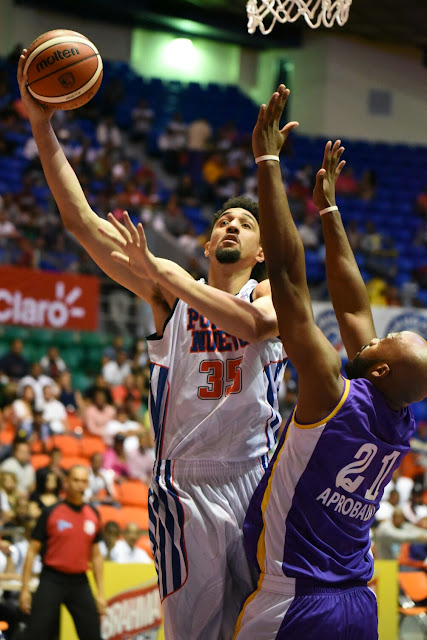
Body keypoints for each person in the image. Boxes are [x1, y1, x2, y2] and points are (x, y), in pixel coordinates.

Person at [17, 51, 285, 640]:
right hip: (186, 485)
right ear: (207, 241)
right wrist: (42, 125)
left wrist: (175, 278)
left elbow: (259, 330)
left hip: (257, 481)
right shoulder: (170, 295)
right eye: (222, 222)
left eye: (245, 222)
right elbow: (82, 223)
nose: (231, 226)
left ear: (263, 250)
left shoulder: (272, 294)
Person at [233, 85, 427, 640]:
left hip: (296, 600)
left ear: (381, 368)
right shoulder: (396, 416)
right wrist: (330, 210)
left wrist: (267, 163)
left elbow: (291, 283)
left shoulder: (333, 393)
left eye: (386, 344)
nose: (369, 340)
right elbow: (354, 303)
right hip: (357, 603)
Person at [19, 465, 105, 640]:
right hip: (52, 579)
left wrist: (101, 593)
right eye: (75, 480)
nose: (80, 485)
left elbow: (96, 556)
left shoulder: (93, 514)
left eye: (83, 481)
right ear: (66, 483)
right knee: (35, 634)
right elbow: (31, 551)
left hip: (79, 582)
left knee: (93, 635)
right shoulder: (51, 512)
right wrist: (25, 589)